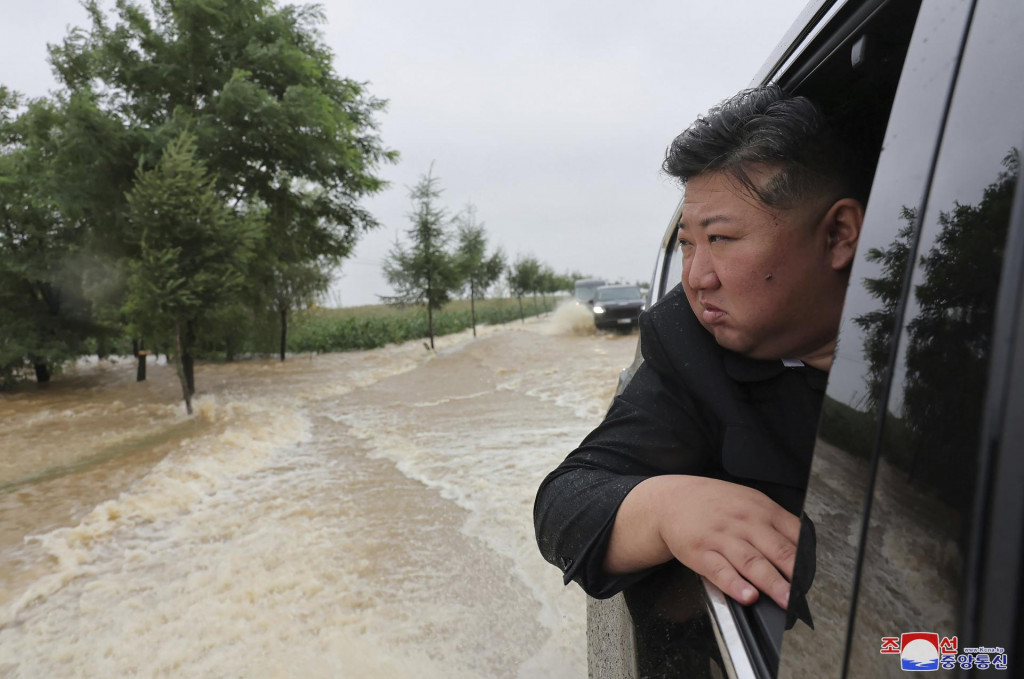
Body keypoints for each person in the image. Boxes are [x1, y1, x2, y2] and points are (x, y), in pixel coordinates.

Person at [533, 85, 866, 613]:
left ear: (839, 235)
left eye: (722, 240)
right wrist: (665, 508)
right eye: (687, 244)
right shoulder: (689, 344)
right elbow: (564, 505)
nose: (695, 277)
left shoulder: (956, 349)